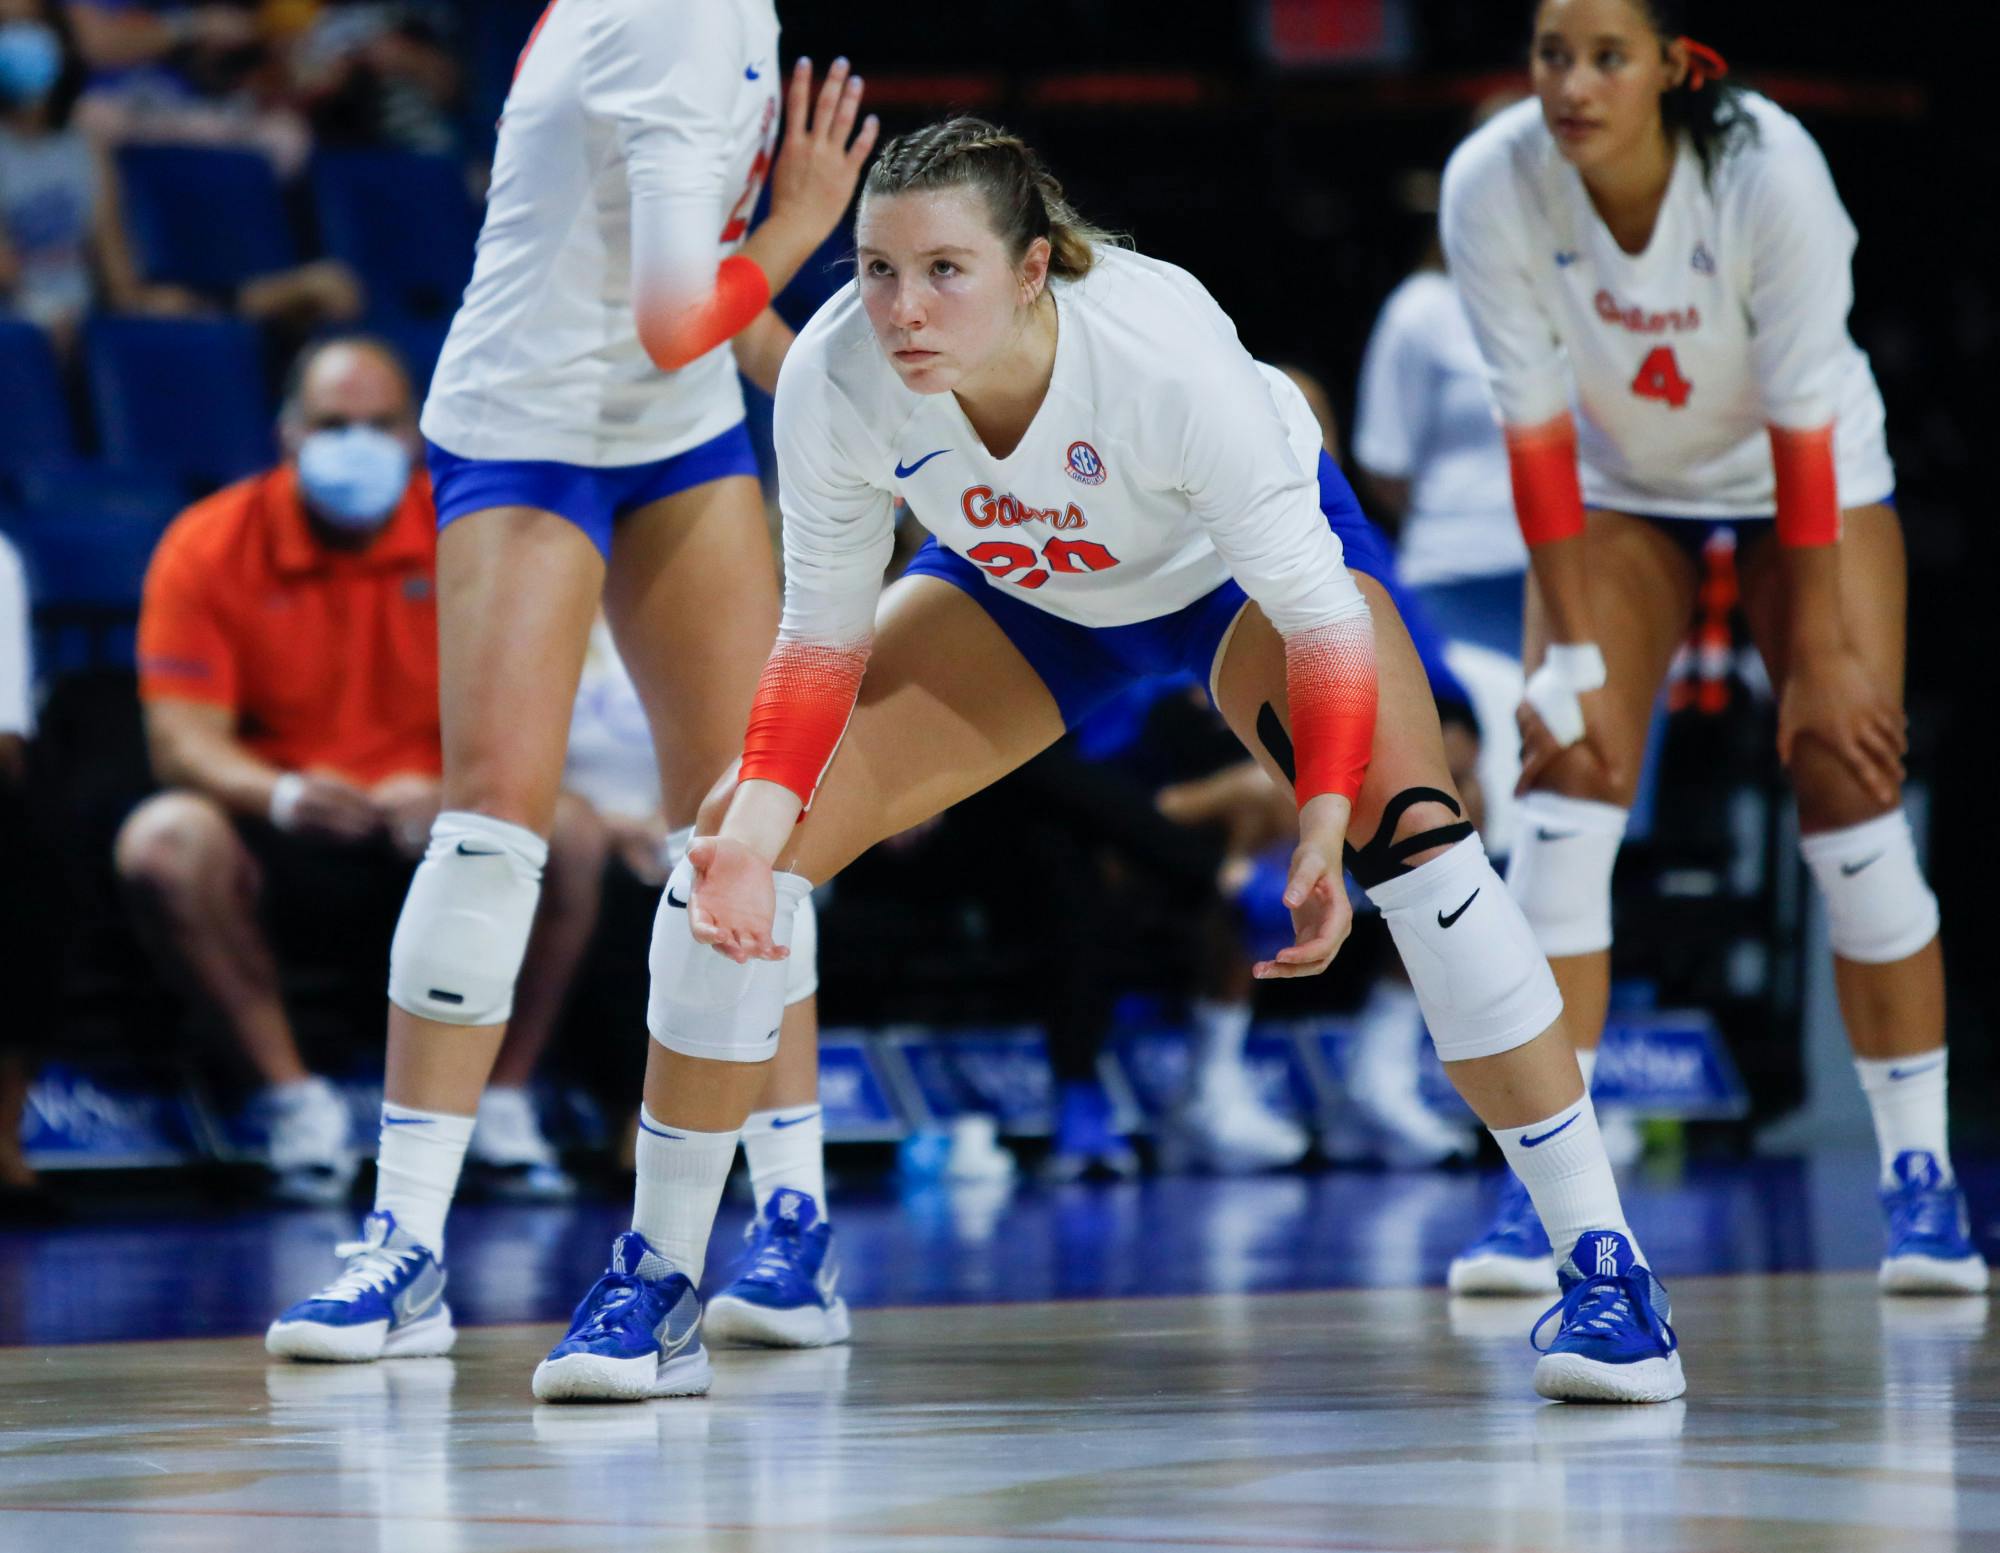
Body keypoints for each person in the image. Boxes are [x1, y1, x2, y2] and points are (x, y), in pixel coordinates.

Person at [538, 115, 1689, 1406]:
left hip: (1234, 589)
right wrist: (755, 837)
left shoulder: (1160, 353)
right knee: (722, 851)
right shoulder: (834, 374)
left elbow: (1320, 619)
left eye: (944, 271)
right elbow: (815, 641)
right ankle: (658, 1276)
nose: (902, 308)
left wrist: (1319, 826)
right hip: (1020, 594)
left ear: (1036, 268)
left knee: (1418, 848)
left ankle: (1606, 1268)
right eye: (875, 270)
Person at [265, 3, 874, 1367]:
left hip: (682, 430)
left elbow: (698, 286)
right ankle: (405, 1242)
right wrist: (814, 210)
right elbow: (675, 314)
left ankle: (792, 1223)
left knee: (750, 834)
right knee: (493, 831)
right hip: (531, 427)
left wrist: (856, 411)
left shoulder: (739, 15)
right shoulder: (659, 19)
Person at [1439, 0, 1984, 1297]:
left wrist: (1835, 660)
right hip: (1623, 491)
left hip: (1810, 472)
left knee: (1846, 782)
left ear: (1679, 69)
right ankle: (1549, 1196)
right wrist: (1560, 657)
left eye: (1607, 57)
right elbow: (1533, 436)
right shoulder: (1491, 182)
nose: (1572, 84)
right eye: (1552, 54)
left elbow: (1801, 425)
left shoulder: (1769, 169)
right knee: (1563, 798)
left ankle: (1922, 1181)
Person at [115, 338, 600, 1203]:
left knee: (573, 830)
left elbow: (534, 706)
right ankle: (293, 1106)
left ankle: (502, 1100)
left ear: (416, 437)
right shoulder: (207, 542)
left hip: (445, 820)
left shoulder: (472, 534)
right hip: (279, 826)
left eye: (381, 424)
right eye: (335, 424)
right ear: (289, 434)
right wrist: (287, 795)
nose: (359, 445)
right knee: (163, 841)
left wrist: (457, 790)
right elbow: (181, 743)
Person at [0, 0, 204, 349]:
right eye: (5, 27)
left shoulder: (86, 143)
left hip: (85, 328)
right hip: (19, 338)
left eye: (31, 25)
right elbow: (6, 275)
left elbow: (118, 274)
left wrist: (150, 304)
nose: (19, 39)